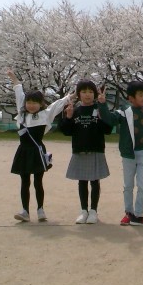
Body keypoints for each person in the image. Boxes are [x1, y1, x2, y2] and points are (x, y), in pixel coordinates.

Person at [100, 77, 143, 226]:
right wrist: (102, 103)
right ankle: (129, 213)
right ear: (131, 98)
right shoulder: (124, 113)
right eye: (140, 95)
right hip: (128, 155)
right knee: (128, 186)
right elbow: (109, 119)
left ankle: (138, 215)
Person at [7, 69, 72, 223]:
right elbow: (19, 94)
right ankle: (25, 211)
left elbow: (58, 104)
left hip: (37, 151)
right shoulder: (21, 114)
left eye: (34, 102)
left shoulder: (45, 114)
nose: (31, 105)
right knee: (24, 182)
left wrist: (71, 96)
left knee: (38, 181)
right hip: (23, 151)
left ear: (41, 104)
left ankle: (40, 210)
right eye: (28, 102)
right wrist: (14, 79)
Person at [59, 79, 113, 224]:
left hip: (96, 149)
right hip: (79, 150)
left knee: (95, 181)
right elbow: (66, 131)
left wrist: (102, 116)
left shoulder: (99, 109)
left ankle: (93, 211)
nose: (87, 94)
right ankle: (84, 211)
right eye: (84, 91)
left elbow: (108, 130)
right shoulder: (75, 110)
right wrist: (68, 117)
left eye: (90, 91)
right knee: (82, 181)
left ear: (95, 94)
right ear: (79, 94)